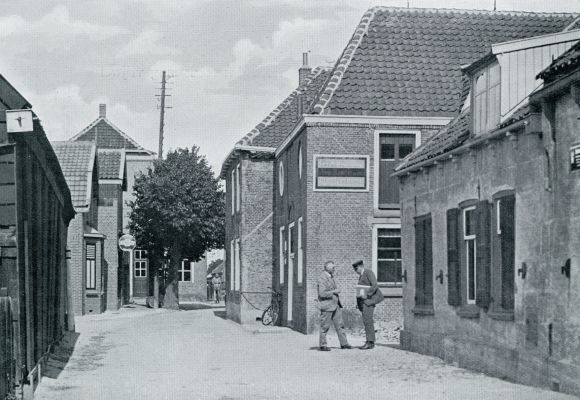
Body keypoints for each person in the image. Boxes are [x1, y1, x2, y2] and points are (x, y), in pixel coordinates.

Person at [317, 261, 352, 351]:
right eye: (333, 268)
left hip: (335, 305)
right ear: (327, 268)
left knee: (340, 325)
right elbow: (322, 294)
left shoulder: (331, 277)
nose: (334, 269)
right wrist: (334, 291)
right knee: (325, 326)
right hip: (327, 306)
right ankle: (323, 345)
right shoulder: (322, 278)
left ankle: (344, 344)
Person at [353, 260, 384, 350]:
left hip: (369, 301)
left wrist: (367, 294)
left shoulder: (368, 272)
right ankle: (370, 341)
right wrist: (358, 303)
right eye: (354, 269)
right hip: (364, 302)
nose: (355, 271)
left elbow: (374, 285)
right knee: (366, 321)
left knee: (368, 321)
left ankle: (370, 342)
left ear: (361, 266)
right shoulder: (361, 275)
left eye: (356, 268)